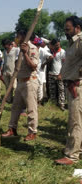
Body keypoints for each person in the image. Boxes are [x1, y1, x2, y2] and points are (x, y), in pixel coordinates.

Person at [2, 30, 40, 141]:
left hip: (30, 82)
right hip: (20, 81)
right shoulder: (19, 49)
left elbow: (33, 66)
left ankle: (32, 132)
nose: (16, 38)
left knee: (31, 108)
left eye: (18, 36)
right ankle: (12, 129)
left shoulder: (32, 48)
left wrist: (25, 53)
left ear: (24, 36)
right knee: (15, 107)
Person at [55, 16, 82, 165]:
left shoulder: (81, 41)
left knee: (75, 122)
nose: (65, 31)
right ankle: (78, 149)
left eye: (68, 28)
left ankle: (72, 155)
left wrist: (78, 77)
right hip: (73, 85)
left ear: (77, 28)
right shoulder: (73, 43)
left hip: (77, 86)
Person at [48, 39, 66, 110]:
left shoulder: (62, 52)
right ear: (53, 45)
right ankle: (53, 104)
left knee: (61, 90)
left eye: (59, 44)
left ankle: (62, 105)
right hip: (51, 74)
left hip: (59, 74)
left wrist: (61, 74)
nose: (58, 46)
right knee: (52, 90)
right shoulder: (51, 52)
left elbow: (64, 64)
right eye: (56, 45)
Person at [33, 38, 53, 103]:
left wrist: (44, 64)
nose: (37, 45)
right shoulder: (33, 49)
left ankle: (39, 100)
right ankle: (35, 99)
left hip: (40, 71)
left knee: (40, 85)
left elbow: (51, 57)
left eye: (38, 44)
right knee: (34, 85)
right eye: (36, 44)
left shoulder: (42, 50)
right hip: (34, 70)